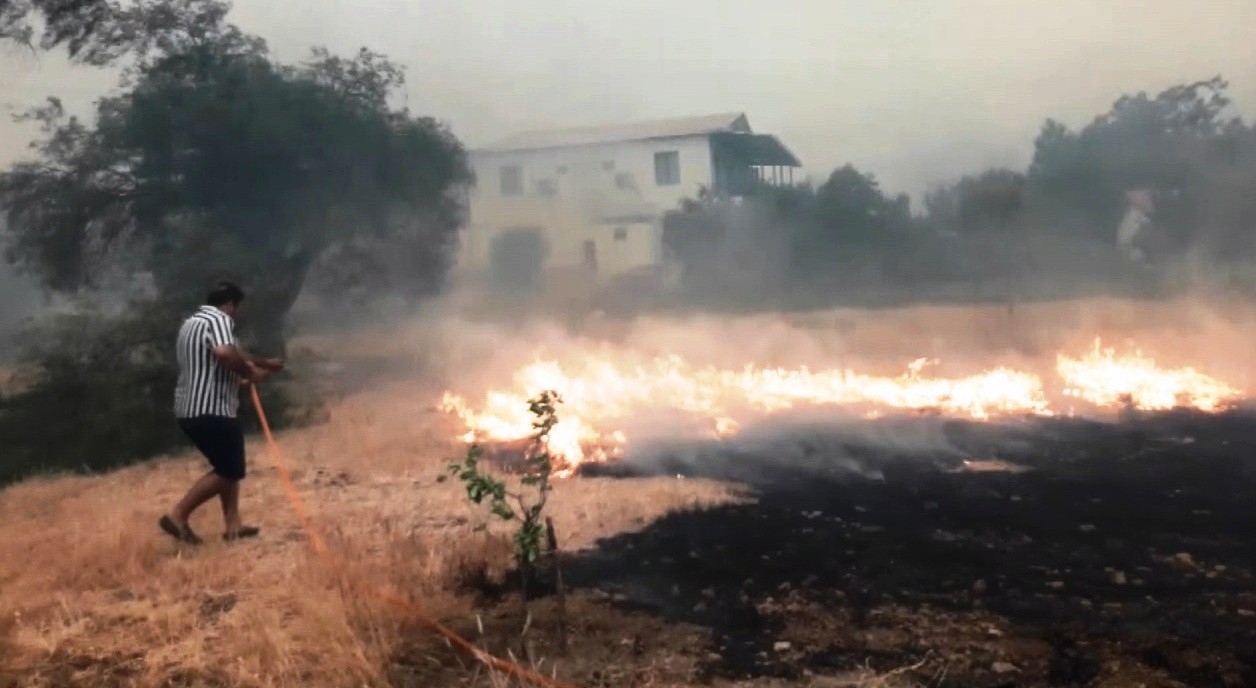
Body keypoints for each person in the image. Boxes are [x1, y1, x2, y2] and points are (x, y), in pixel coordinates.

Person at [159, 281, 284, 545]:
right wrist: (249, 372)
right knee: (230, 470)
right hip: (212, 408)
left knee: (227, 465)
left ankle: (233, 525)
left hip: (189, 409)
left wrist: (260, 365)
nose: (236, 314)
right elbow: (225, 353)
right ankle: (179, 515)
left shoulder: (190, 323)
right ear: (230, 304)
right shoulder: (219, 319)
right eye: (236, 308)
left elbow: (222, 357)